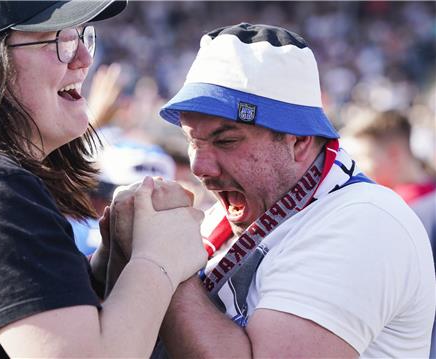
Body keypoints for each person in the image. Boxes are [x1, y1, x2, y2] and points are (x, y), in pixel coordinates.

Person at [0, 1, 207, 358]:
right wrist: (158, 259)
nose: (83, 60)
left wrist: (110, 264)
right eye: (57, 41)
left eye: (80, 38)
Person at [109, 23, 436, 358]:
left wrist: (165, 262)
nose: (199, 166)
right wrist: (116, 250)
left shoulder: (364, 222)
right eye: (193, 141)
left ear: (299, 141)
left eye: (226, 141)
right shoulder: (231, 214)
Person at [340, 109, 436, 357]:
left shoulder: (420, 211)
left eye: (362, 157)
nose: (354, 169)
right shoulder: (368, 208)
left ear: (393, 153)